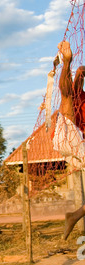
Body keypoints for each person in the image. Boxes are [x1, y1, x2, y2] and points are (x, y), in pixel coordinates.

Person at [52, 41, 85, 239]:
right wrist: (67, 62)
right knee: (66, 99)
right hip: (68, 137)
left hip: (79, 149)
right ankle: (74, 216)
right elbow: (66, 89)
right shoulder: (76, 95)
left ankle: (74, 216)